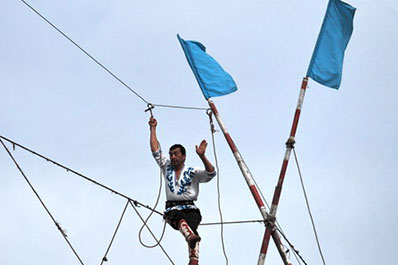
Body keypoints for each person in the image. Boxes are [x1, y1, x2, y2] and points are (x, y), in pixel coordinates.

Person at [149, 116, 216, 265]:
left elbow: (211, 173)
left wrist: (202, 156)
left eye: (176, 154)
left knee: (192, 231)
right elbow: (155, 149)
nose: (172, 157)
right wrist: (153, 128)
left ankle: (193, 260)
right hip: (172, 208)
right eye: (171, 154)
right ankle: (191, 244)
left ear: (184, 156)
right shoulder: (166, 166)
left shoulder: (193, 171)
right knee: (179, 219)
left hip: (191, 208)